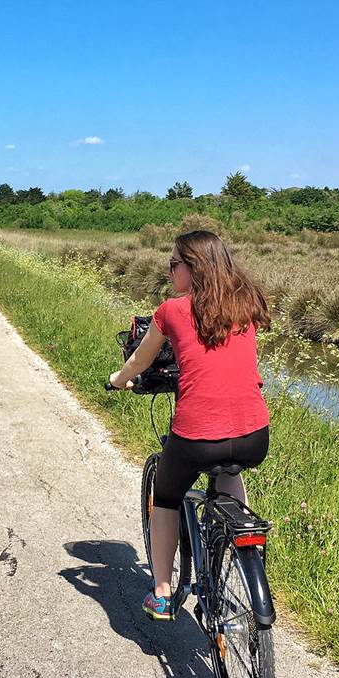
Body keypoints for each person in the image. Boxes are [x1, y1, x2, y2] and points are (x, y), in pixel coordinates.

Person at [108, 229, 271, 621]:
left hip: (197, 436)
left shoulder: (171, 311)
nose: (170, 273)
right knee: (229, 469)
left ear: (192, 267)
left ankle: (162, 592)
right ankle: (237, 543)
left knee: (164, 497)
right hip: (254, 436)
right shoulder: (246, 304)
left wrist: (118, 379)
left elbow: (140, 362)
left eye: (174, 265)